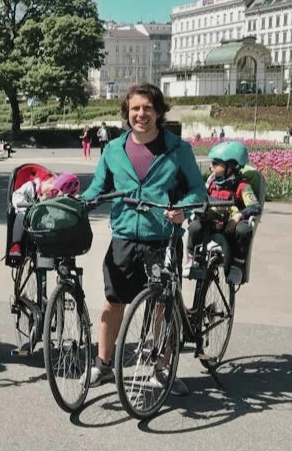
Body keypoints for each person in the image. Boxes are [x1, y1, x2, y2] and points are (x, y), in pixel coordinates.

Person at [79, 83, 207, 396]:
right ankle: (104, 364)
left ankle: (162, 369)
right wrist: (77, 200)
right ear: (127, 113)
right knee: (113, 303)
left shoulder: (178, 149)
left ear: (159, 112)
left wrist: (181, 209)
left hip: (162, 238)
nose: (141, 114)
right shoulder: (113, 150)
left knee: (162, 306)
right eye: (135, 108)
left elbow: (197, 190)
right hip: (123, 235)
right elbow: (98, 187)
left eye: (147, 108)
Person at [185, 141, 262, 286]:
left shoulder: (242, 186)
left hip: (230, 226)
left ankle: (237, 265)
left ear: (230, 165)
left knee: (244, 230)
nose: (211, 167)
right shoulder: (212, 183)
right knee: (195, 226)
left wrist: (239, 215)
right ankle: (192, 258)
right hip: (212, 222)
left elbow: (255, 207)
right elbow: (201, 199)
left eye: (215, 163)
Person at [8, 172, 81, 262]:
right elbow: (16, 195)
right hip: (29, 215)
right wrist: (25, 204)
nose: (52, 191)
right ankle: (16, 245)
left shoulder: (58, 193)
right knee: (21, 214)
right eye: (52, 187)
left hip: (48, 222)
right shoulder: (31, 186)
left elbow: (76, 199)